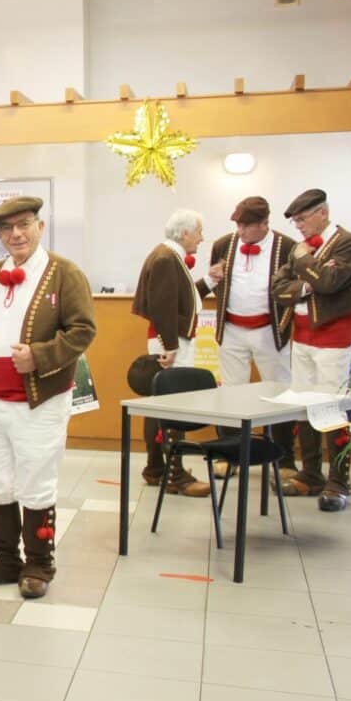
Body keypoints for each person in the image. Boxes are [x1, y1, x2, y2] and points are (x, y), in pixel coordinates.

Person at [0, 197, 96, 599]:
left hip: (40, 400)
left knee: (36, 478)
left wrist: (39, 356)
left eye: (23, 225)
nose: (15, 235)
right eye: (6, 230)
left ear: (39, 225)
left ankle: (39, 562)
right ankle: (5, 559)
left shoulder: (64, 273)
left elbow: (83, 330)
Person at [273, 189, 351, 512]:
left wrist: (303, 266)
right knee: (304, 403)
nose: (298, 225)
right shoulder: (300, 249)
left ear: (322, 213)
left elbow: (329, 282)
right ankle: (310, 472)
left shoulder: (346, 242)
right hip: (303, 336)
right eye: (295, 220)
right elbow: (278, 289)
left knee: (332, 407)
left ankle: (338, 479)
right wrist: (306, 283)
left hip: (334, 337)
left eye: (302, 219)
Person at [196, 196, 297, 479]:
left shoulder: (287, 247)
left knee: (280, 392)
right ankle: (230, 456)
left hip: (270, 330)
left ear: (265, 223)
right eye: (238, 224)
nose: (240, 231)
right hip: (232, 330)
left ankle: (285, 458)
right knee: (231, 392)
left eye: (246, 226)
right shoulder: (222, 245)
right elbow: (217, 285)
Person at [131, 209, 211, 498]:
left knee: (159, 405)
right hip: (171, 342)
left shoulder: (167, 255)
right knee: (173, 408)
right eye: (199, 231)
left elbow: (179, 301)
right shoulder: (167, 258)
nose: (202, 238)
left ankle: (156, 468)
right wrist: (171, 346)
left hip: (170, 339)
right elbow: (163, 306)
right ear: (185, 232)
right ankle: (175, 475)